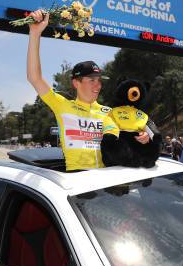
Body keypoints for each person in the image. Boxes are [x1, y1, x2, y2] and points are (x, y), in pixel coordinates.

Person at [25, 9, 150, 171]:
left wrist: (144, 138)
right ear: (76, 83)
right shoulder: (63, 106)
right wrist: (35, 34)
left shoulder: (110, 112)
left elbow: (132, 134)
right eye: (91, 80)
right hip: (78, 183)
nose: (97, 85)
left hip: (107, 182)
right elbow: (34, 77)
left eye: (99, 81)